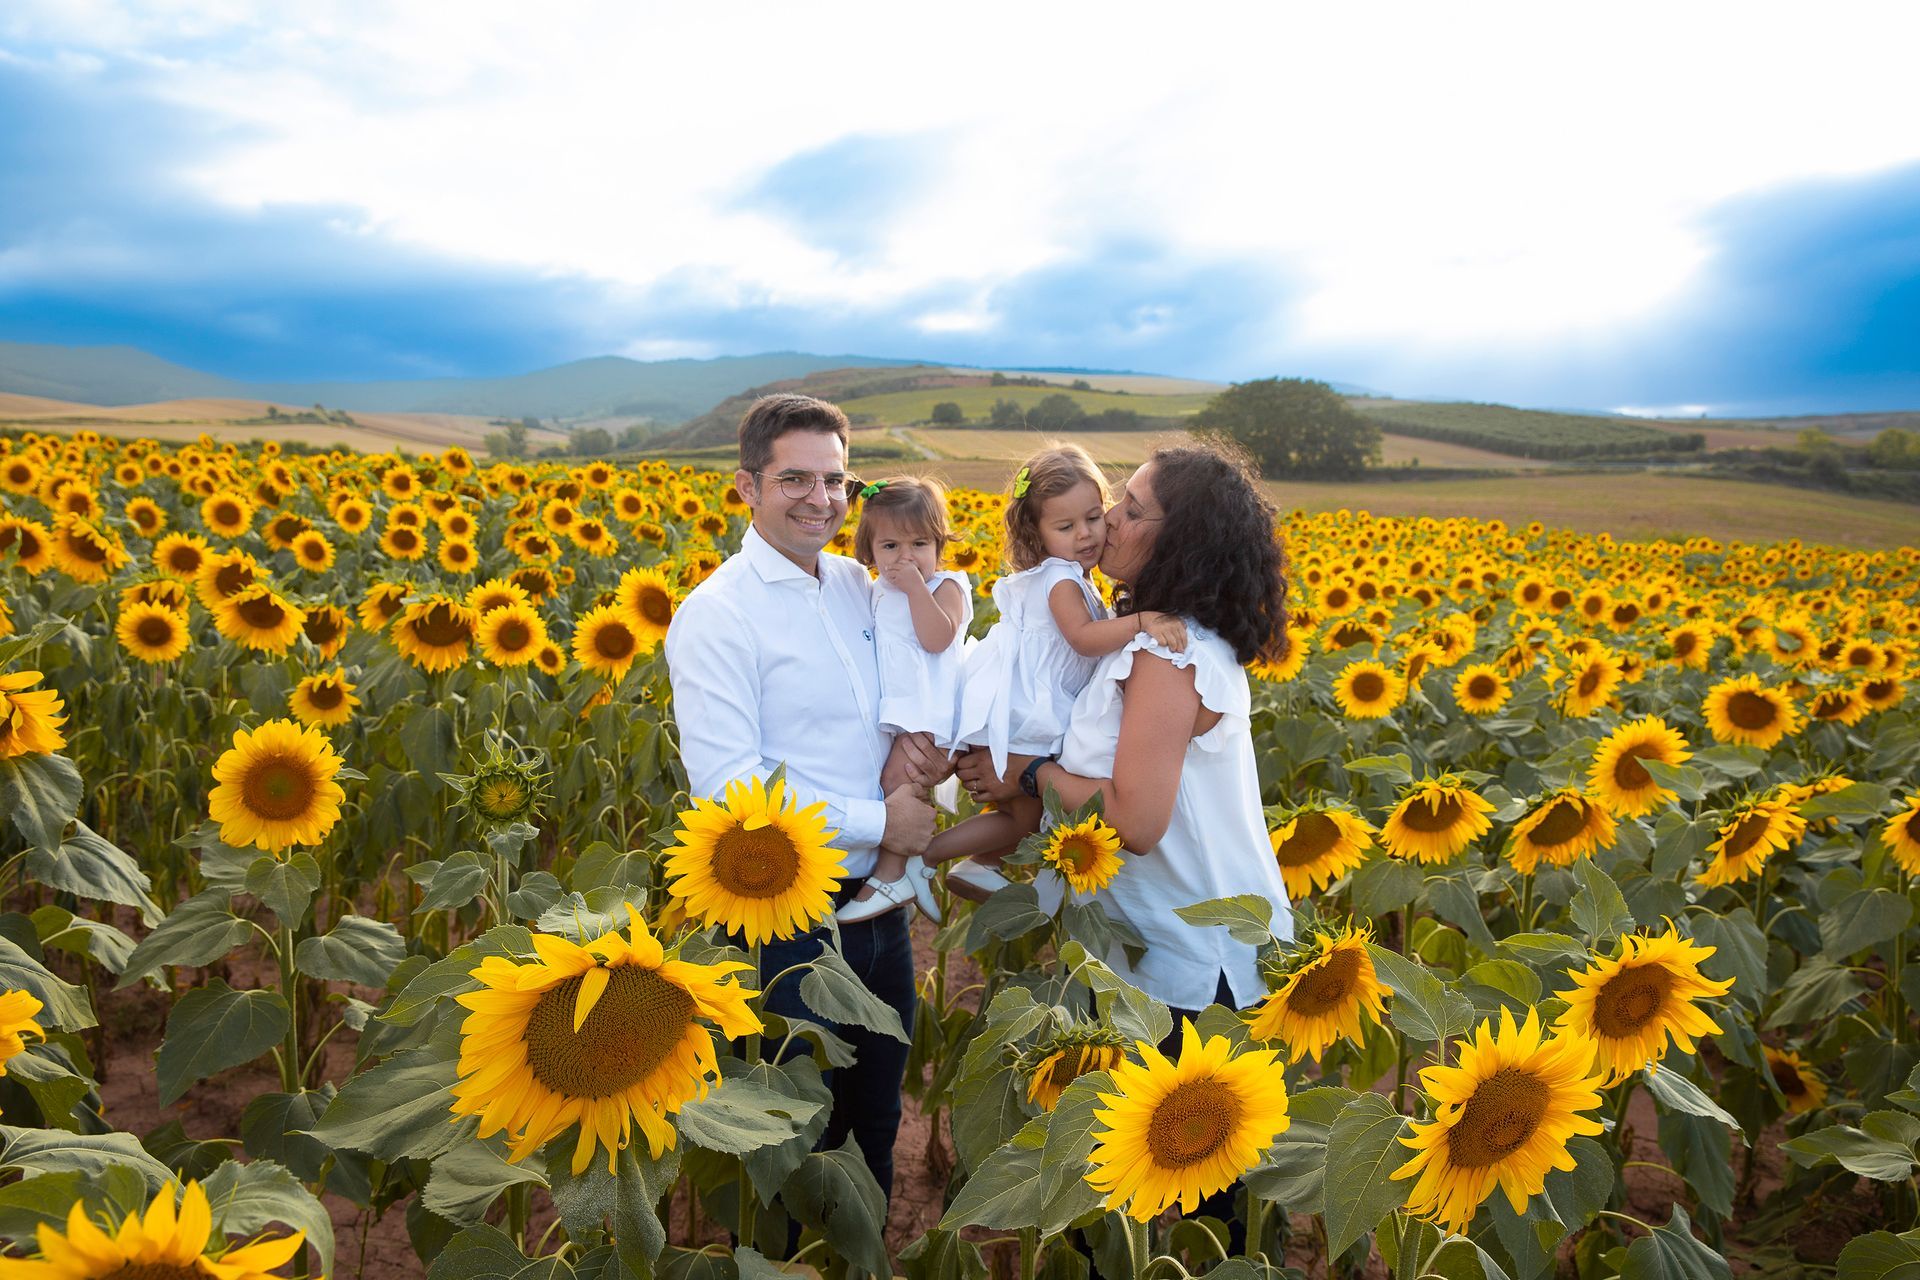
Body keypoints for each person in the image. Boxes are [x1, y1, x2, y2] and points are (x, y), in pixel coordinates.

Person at [956, 440, 1292, 1255]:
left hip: (1192, 958)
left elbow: (1134, 819)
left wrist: (1030, 773)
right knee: (1187, 1194)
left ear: (1180, 543)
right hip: (1164, 945)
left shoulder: (1165, 656)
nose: (1110, 515)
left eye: (1134, 508)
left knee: (1171, 1199)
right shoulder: (1153, 640)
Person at [664, 393, 946, 1204]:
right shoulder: (718, 614)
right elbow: (729, 790)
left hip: (878, 914)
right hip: (778, 917)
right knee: (789, 1143)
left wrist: (930, 757)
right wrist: (882, 820)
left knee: (872, 1129)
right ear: (747, 487)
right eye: (796, 479)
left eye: (835, 481)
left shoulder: (864, 586)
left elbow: (914, 692)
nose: (822, 499)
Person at [930, 444, 1186, 895]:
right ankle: (924, 855)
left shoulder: (1076, 576)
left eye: (1093, 516)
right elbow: (1083, 639)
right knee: (1023, 817)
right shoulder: (1060, 579)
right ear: (1037, 532)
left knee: (1025, 817)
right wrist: (1142, 621)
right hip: (1023, 709)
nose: (1086, 534)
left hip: (1026, 704)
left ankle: (978, 864)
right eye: (1066, 526)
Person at [836, 475, 973, 924]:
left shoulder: (946, 587)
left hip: (932, 712)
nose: (906, 558)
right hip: (902, 713)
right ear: (870, 552)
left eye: (919, 544)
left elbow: (937, 639)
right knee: (895, 783)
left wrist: (916, 588)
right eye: (890, 547)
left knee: (900, 781)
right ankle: (911, 869)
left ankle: (891, 875)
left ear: (939, 545)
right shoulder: (877, 593)